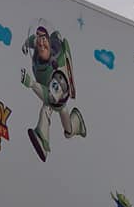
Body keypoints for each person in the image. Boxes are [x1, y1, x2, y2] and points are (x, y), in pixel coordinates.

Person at [21, 23, 86, 162]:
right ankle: (46, 138)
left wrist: (31, 83)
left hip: (58, 98)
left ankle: (72, 126)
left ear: (49, 43)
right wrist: (26, 44)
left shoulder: (57, 71)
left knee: (49, 112)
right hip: (50, 88)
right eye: (39, 44)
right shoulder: (41, 49)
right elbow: (34, 40)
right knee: (51, 115)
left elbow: (50, 96)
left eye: (44, 42)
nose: (41, 45)